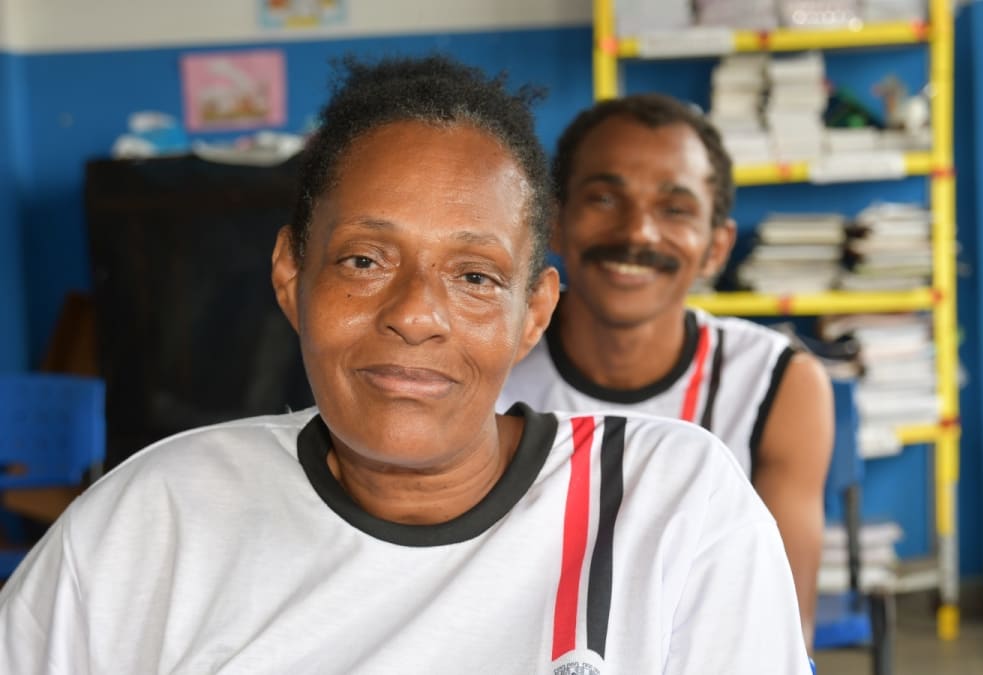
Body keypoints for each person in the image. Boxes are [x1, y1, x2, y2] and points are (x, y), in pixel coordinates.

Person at [0, 56, 811, 674]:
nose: (416, 313)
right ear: (290, 275)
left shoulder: (668, 505)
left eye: (475, 276)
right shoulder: (152, 519)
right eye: (364, 260)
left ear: (533, 312)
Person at [498, 93, 834, 647]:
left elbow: (781, 632)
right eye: (605, 198)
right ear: (554, 221)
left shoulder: (778, 383)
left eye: (675, 209)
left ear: (717, 248)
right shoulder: (488, 359)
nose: (638, 233)